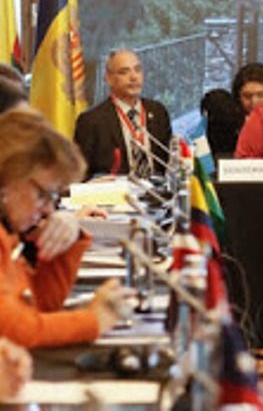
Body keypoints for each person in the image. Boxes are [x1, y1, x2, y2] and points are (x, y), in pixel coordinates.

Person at [0, 111, 130, 349]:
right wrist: (93, 321)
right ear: (8, 179)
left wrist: (65, 239)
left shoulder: (9, 232)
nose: (49, 209)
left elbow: (41, 305)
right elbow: (14, 330)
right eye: (43, 194)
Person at [74, 49, 172, 178]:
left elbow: (168, 160)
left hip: (158, 193)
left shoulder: (158, 111)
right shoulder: (91, 121)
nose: (133, 77)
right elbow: (79, 175)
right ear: (109, 79)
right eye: (124, 72)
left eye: (137, 70)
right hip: (115, 195)